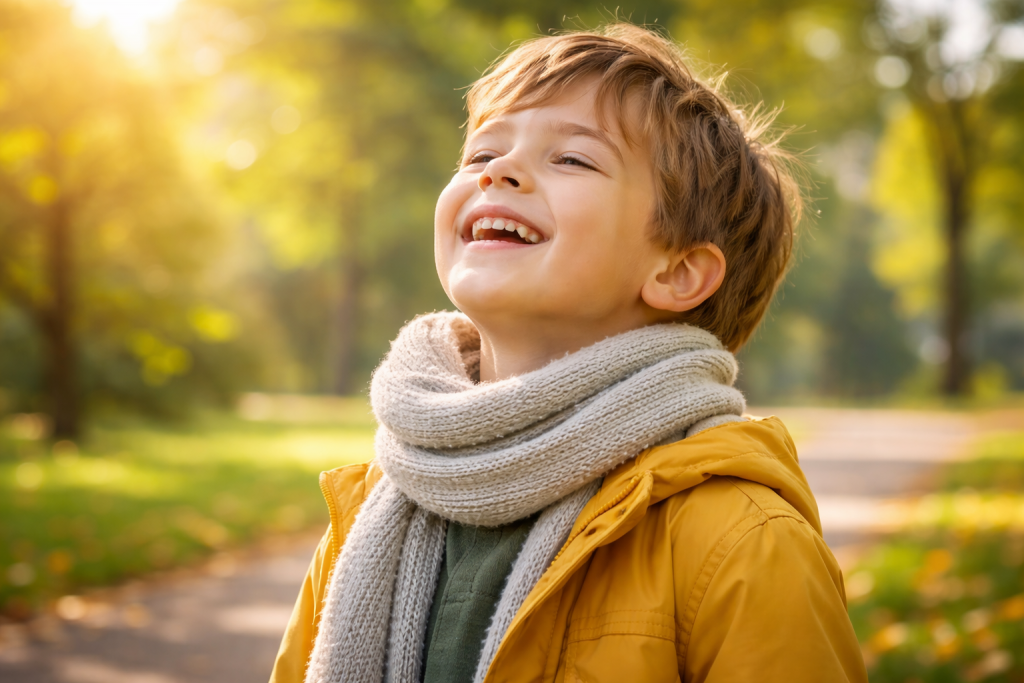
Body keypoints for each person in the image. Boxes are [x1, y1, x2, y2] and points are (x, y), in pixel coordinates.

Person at [270, 22, 867, 683]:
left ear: (677, 273)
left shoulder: (742, 541)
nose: (498, 171)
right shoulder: (368, 516)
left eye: (572, 159)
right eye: (479, 155)